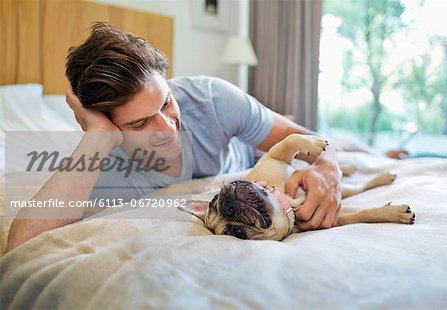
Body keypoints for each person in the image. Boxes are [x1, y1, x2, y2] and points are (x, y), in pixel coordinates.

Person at [6, 23, 342, 251]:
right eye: (139, 124)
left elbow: (310, 140)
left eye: (166, 102)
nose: (168, 128)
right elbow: (21, 249)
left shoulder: (211, 98)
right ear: (106, 125)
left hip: (259, 163)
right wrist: (98, 136)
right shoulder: (99, 164)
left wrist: (330, 169)